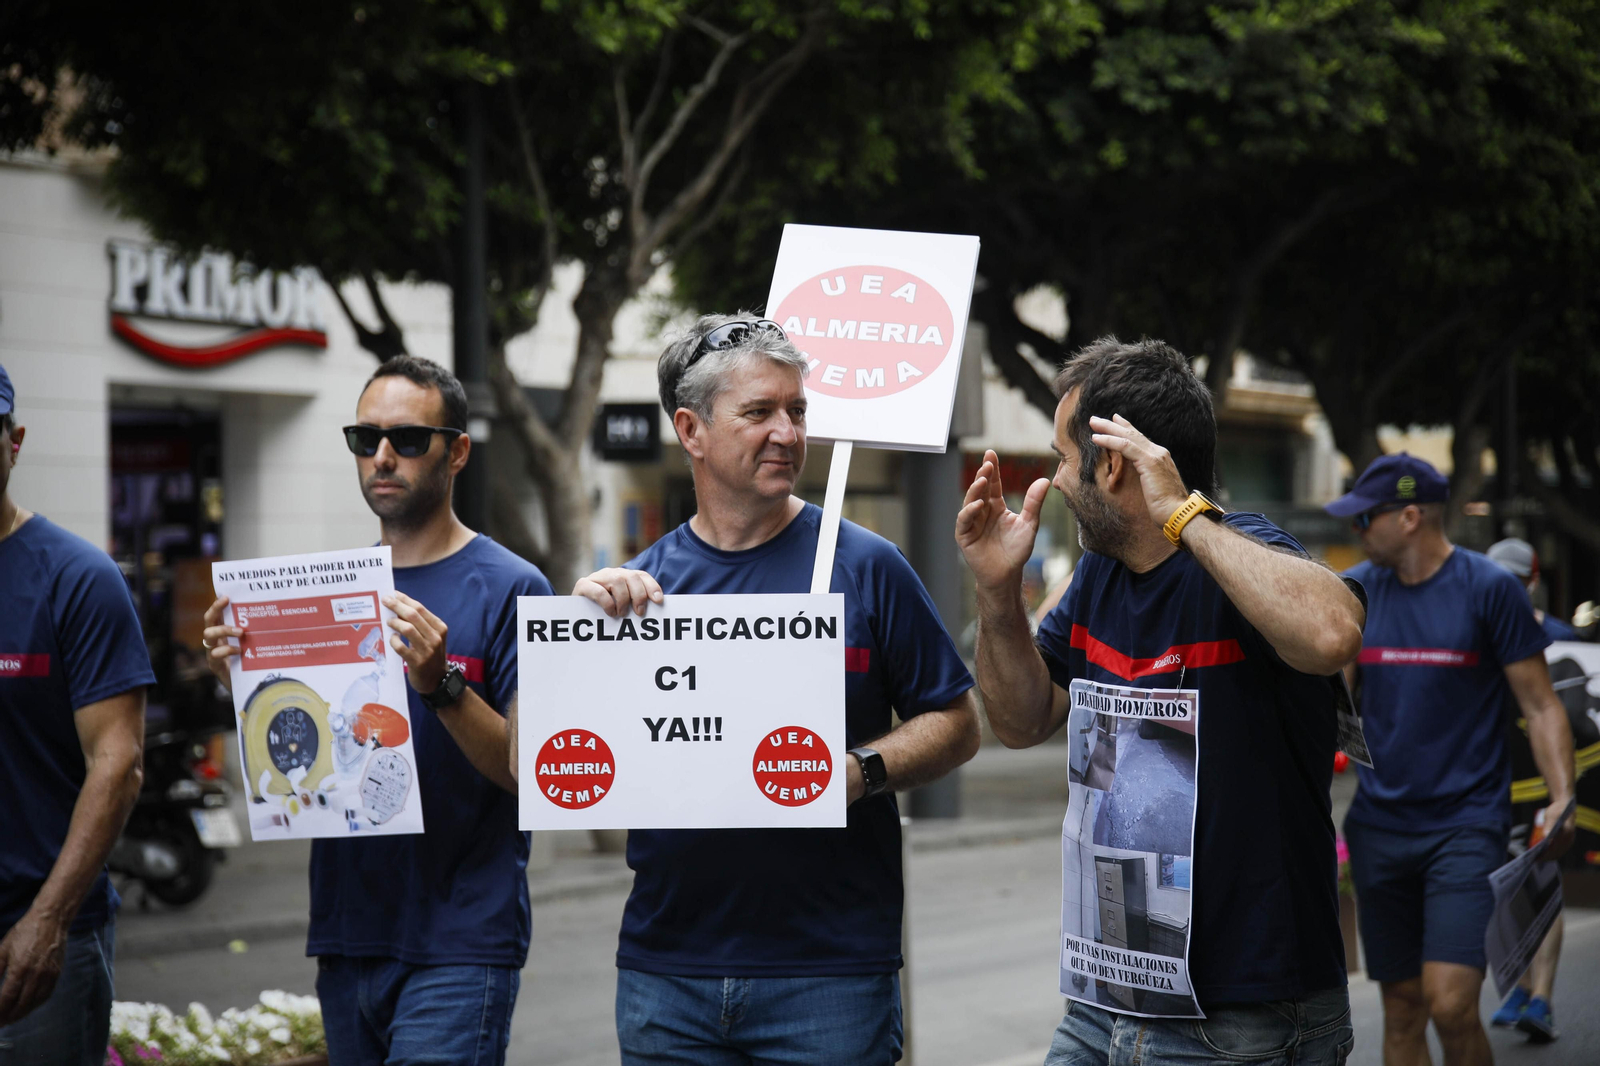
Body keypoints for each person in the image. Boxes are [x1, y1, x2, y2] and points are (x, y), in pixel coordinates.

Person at [563, 314, 979, 1064]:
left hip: (830, 975)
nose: (788, 432)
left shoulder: (868, 565)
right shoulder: (642, 591)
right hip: (667, 976)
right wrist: (581, 633)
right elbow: (574, 762)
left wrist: (860, 772)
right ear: (691, 431)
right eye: (759, 412)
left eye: (798, 410)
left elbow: (955, 720)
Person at [958, 337, 1365, 1063]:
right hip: (1106, 997)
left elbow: (1333, 635)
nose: (1054, 479)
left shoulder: (1247, 552)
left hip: (1239, 1014)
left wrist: (1181, 513)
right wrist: (996, 592)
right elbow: (1021, 721)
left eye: (1062, 457)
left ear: (1111, 464)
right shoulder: (1098, 579)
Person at [201, 356, 551, 1066]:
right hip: (346, 933)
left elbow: (533, 772)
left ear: (456, 451)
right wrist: (243, 680)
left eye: (407, 439)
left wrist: (440, 683)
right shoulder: (327, 590)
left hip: (461, 939)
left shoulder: (514, 587)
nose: (382, 456)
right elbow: (300, 758)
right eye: (365, 439)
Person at [1326, 454, 1576, 1066]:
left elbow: (1541, 706)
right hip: (1380, 830)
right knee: (1405, 1007)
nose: (1356, 532)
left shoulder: (1489, 590)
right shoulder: (1356, 591)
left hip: (1465, 827)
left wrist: (1562, 798)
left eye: (1365, 519)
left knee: (1451, 1002)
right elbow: (1327, 707)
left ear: (1409, 517)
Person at [0, 362, 153, 1065]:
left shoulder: (75, 578)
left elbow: (117, 764)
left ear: (15, 441)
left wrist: (49, 918)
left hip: (30, 936)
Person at [1484, 537, 1572, 1041]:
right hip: (1495, 785)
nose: (1508, 589)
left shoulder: (1559, 639)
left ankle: (1541, 999)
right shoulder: (1478, 633)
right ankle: (1519, 989)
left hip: (1542, 786)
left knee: (1541, 882)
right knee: (1502, 890)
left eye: (1516, 581)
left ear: (1531, 583)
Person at [1486, 538, 1579, 643]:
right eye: (1497, 578)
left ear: (1534, 581)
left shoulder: (1560, 637)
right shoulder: (1474, 631)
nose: (1506, 586)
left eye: (1516, 579)